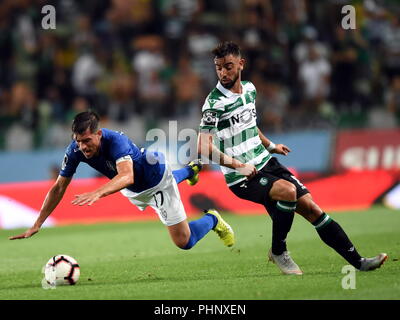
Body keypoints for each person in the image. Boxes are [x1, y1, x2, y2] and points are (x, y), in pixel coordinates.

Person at [197, 41, 387, 275]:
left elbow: (250, 125)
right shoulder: (214, 104)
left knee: (312, 208)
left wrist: (271, 145)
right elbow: (204, 147)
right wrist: (239, 165)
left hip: (266, 163)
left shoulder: (249, 89)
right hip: (242, 176)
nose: (223, 72)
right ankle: (279, 251)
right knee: (288, 191)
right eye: (218, 67)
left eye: (228, 66)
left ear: (241, 64)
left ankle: (360, 262)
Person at [9, 111, 235, 251]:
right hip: (131, 188)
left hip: (155, 180)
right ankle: (192, 169)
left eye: (87, 140)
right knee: (137, 186)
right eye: (78, 141)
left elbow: (127, 175)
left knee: (184, 242)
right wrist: (38, 223)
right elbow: (59, 187)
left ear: (99, 134)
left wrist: (99, 192)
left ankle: (212, 219)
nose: (82, 147)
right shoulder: (76, 150)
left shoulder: (116, 141)